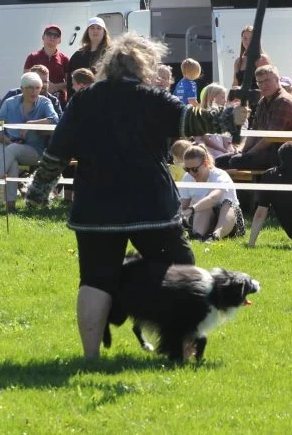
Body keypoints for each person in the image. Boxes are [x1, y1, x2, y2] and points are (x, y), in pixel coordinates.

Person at [23, 31, 248, 359]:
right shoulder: (151, 97)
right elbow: (194, 120)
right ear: (143, 65)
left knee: (95, 281)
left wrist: (38, 194)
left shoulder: (85, 100)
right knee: (181, 271)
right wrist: (231, 117)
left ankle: (90, 358)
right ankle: (184, 349)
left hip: (96, 208)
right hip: (151, 206)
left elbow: (56, 152)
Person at [0, 71, 59, 213]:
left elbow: (55, 121)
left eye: (37, 88)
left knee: (12, 151)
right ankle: (11, 207)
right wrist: (6, 139)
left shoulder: (45, 102)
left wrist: (30, 124)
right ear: (22, 89)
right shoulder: (10, 103)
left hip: (34, 150)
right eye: (30, 88)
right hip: (8, 145)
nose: (34, 91)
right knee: (12, 160)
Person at [214, 65, 292, 170]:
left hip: (284, 154)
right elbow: (253, 131)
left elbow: (271, 137)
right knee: (219, 161)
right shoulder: (263, 101)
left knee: (235, 161)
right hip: (264, 150)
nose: (263, 85)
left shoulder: (284, 101)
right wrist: (240, 151)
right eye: (260, 82)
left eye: (267, 81)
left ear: (277, 80)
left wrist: (248, 154)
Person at [178, 145, 243, 241]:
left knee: (227, 204)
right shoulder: (187, 178)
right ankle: (197, 236)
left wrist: (191, 210)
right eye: (187, 169)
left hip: (229, 220)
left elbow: (212, 199)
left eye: (195, 169)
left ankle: (215, 236)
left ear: (206, 163)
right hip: (201, 218)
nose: (191, 173)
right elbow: (183, 204)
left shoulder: (220, 176)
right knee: (203, 206)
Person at [24, 24, 70, 105]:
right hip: (36, 101)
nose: (52, 37)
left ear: (59, 40)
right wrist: (42, 86)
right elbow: (25, 81)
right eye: (49, 34)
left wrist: (55, 86)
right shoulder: (32, 57)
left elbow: (70, 83)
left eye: (56, 35)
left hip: (59, 101)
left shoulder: (64, 59)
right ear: (43, 37)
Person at [67, 17, 111, 100]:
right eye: (92, 28)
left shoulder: (110, 54)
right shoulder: (78, 55)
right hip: (82, 99)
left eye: (99, 28)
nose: (95, 31)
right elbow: (70, 81)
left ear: (104, 32)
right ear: (87, 31)